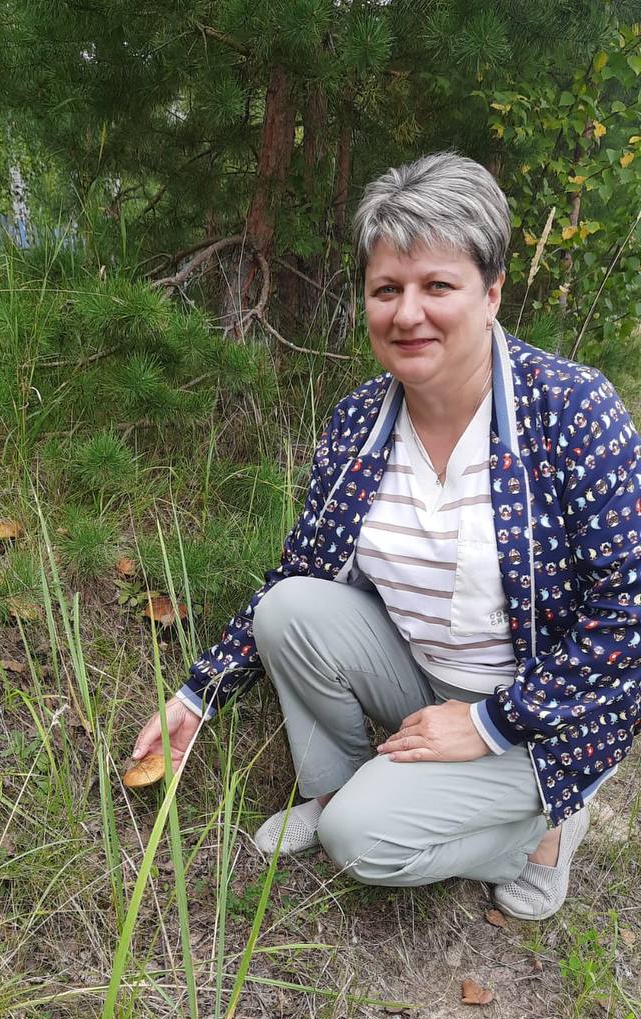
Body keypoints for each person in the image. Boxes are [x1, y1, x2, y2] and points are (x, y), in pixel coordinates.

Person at [133, 152, 641, 922]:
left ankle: (540, 832)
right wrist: (198, 695)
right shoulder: (358, 421)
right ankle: (337, 784)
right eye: (386, 289)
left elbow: (626, 618)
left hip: (549, 712)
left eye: (438, 286)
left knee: (361, 842)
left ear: (492, 292)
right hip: (423, 674)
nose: (408, 314)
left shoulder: (573, 411)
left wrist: (487, 723)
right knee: (292, 607)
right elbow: (299, 570)